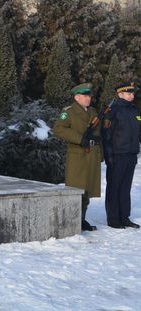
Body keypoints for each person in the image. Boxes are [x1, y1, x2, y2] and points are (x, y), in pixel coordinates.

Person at [53, 83, 102, 232]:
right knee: (77, 189)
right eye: (86, 96)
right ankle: (73, 220)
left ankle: (82, 220)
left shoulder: (93, 112)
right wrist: (80, 139)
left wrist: (101, 155)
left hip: (92, 154)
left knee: (87, 189)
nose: (89, 98)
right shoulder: (68, 112)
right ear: (77, 97)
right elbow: (58, 129)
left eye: (89, 96)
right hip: (77, 155)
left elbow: (100, 135)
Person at [102, 82, 141, 229]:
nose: (132, 95)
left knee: (125, 187)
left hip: (131, 155)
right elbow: (106, 135)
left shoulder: (135, 111)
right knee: (114, 187)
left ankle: (124, 217)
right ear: (120, 94)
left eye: (132, 93)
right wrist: (109, 157)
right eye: (128, 93)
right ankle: (113, 219)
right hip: (117, 155)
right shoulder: (112, 111)